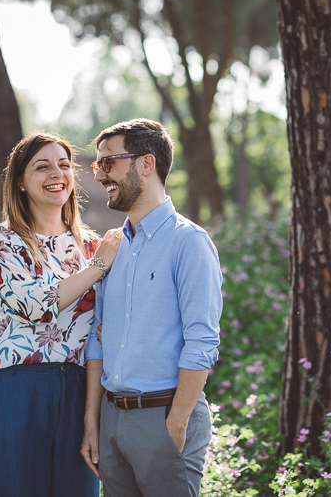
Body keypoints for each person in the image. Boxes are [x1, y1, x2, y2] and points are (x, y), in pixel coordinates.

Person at [79, 119, 223, 497]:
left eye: (108, 163)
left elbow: (202, 341)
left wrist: (176, 423)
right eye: (98, 166)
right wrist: (93, 423)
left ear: (146, 164)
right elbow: (99, 340)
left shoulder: (189, 243)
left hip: (164, 419)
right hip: (111, 423)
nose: (100, 176)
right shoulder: (111, 249)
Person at [0, 132, 122, 497]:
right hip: (17, 387)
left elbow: (99, 333)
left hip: (79, 387)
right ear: (21, 182)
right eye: (41, 167)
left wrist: (93, 415)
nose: (56, 174)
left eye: (63, 165)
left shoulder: (91, 244)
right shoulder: (0, 241)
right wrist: (99, 266)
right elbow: (35, 305)